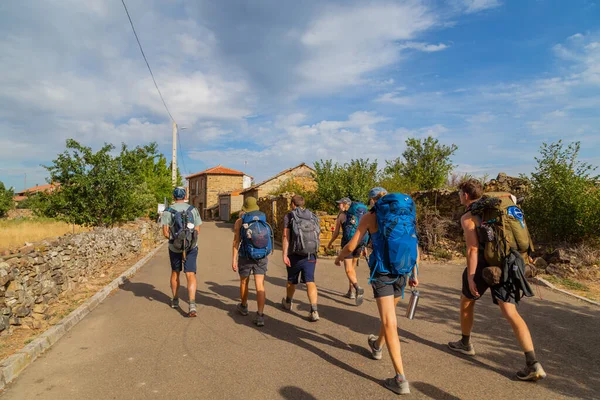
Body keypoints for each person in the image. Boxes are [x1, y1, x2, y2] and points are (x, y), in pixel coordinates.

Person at [447, 179, 546, 381]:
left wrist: (472, 276)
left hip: (486, 265)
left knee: (467, 300)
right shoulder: (504, 205)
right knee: (510, 312)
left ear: (465, 196)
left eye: (460, 193)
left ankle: (465, 343)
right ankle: (533, 363)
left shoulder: (469, 216)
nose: (459, 197)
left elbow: (473, 249)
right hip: (510, 263)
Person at [336, 187, 419, 395]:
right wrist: (415, 273)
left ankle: (400, 378)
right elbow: (414, 244)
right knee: (388, 317)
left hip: (382, 272)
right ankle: (377, 345)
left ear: (373, 200)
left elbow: (351, 245)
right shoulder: (405, 214)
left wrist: (339, 257)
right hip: (403, 270)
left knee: (390, 322)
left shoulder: (369, 217)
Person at [161, 187, 202, 317]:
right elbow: (197, 230)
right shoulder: (193, 210)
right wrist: (188, 241)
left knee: (175, 273)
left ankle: (175, 299)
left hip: (174, 247)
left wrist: (176, 240)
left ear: (173, 196)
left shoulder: (168, 211)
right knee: (190, 274)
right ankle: (192, 305)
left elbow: (165, 232)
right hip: (191, 247)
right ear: (185, 196)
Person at [232, 197, 271, 327]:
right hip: (262, 255)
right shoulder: (263, 219)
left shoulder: (239, 221)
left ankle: (243, 307)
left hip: (245, 255)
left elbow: (236, 241)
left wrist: (234, 259)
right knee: (260, 285)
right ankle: (260, 315)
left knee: (244, 282)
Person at [281, 195, 321, 322]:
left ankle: (288, 302)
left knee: (291, 281)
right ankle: (314, 310)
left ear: (292, 203)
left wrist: (284, 254)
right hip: (310, 254)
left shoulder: (289, 216)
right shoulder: (312, 216)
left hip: (294, 255)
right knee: (310, 281)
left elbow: (285, 236)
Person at [327, 197, 366, 305]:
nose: (338, 205)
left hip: (347, 244)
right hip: (359, 243)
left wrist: (330, 243)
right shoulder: (359, 214)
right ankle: (350, 291)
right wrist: (365, 247)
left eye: (339, 204)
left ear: (345, 204)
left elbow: (336, 233)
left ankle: (357, 288)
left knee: (349, 270)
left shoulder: (341, 216)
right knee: (353, 269)